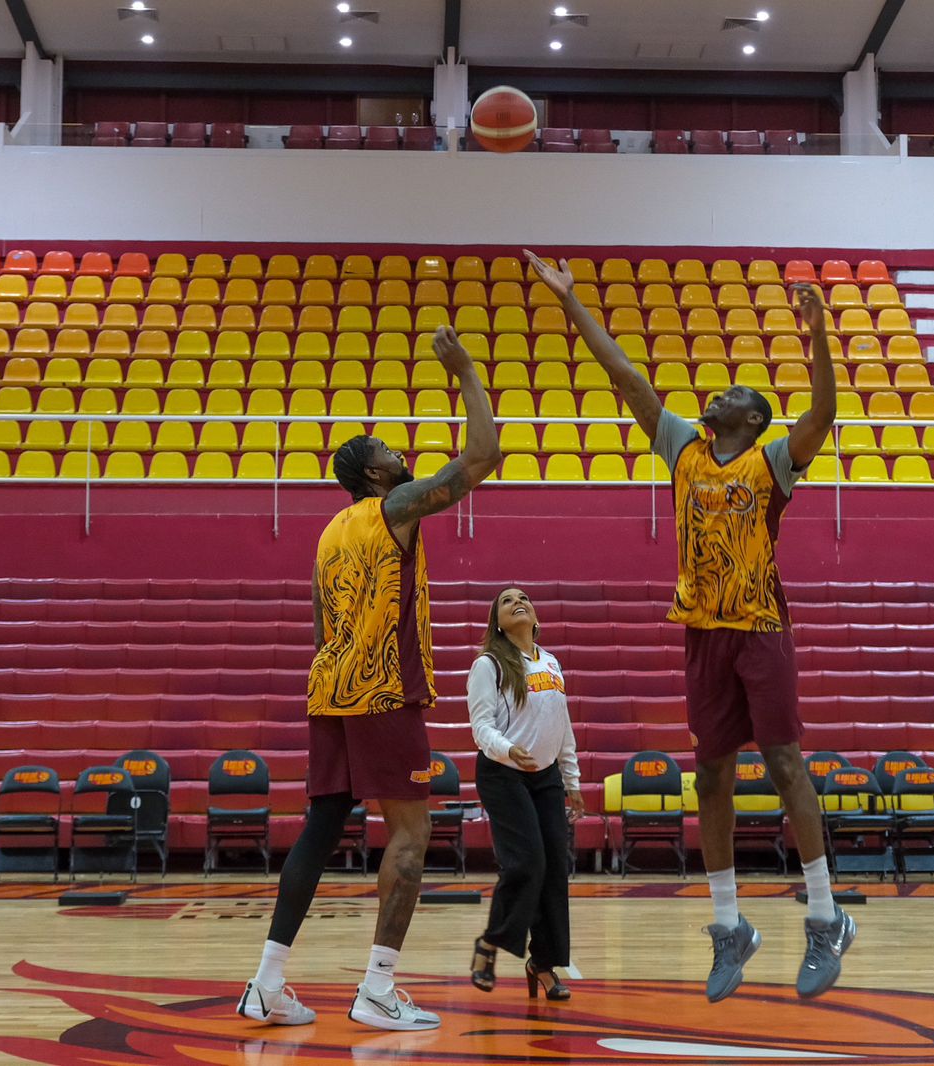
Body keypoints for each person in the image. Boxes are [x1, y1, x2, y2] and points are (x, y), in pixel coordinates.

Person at [524, 250, 853, 1003]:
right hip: (703, 629)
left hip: (761, 626)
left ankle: (826, 915)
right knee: (708, 775)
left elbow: (825, 414)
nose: (719, 390)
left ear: (754, 418)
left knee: (784, 762)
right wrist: (573, 303)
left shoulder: (773, 459)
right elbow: (625, 378)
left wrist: (819, 333)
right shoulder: (684, 446)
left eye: (736, 390)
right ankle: (730, 925)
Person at [237, 325, 500, 1031]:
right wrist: (467, 369)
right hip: (384, 692)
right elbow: (482, 456)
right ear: (375, 473)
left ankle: (266, 982)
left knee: (320, 830)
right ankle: (378, 987)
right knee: (411, 836)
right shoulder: (395, 509)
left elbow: (324, 630)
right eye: (388, 450)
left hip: (330, 690)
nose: (399, 452)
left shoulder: (329, 534)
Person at [465, 586, 583, 1001]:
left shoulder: (551, 662)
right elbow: (481, 727)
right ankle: (490, 945)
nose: (517, 601)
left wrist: (572, 781)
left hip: (546, 776)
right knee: (526, 861)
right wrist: (506, 749)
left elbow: (562, 726)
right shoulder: (489, 664)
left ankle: (544, 964)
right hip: (503, 774)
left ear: (535, 617)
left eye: (524, 598)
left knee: (554, 867)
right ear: (497, 621)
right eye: (506, 600)